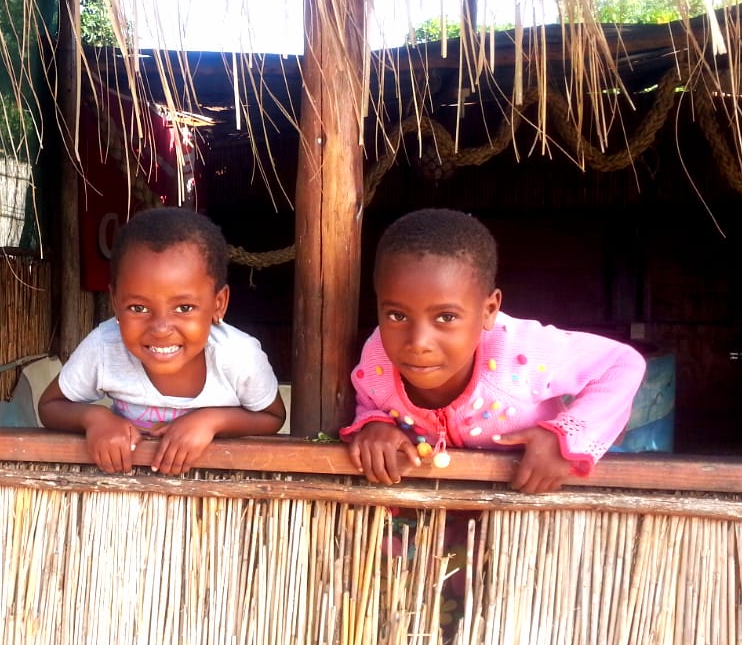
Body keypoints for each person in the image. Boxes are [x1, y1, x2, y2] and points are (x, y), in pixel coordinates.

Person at [341, 208, 646, 493]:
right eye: (397, 315)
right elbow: (369, 400)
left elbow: (621, 363)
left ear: (488, 310)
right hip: (436, 519)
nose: (418, 342)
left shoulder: (522, 354)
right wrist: (374, 426)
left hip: (530, 517)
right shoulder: (377, 356)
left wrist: (564, 437)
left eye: (446, 317)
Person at [39, 207, 286, 476]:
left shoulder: (238, 356)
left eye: (184, 308)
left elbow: (273, 417)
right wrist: (95, 419)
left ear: (218, 304)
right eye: (138, 308)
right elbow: (50, 406)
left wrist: (211, 421)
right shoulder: (105, 347)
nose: (160, 329)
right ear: (115, 302)